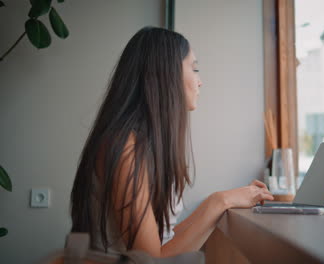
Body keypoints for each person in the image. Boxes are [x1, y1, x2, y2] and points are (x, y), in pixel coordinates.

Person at [70, 27, 274, 258]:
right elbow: (148, 260)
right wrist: (220, 201)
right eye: (194, 69)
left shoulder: (144, 144)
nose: (200, 82)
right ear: (166, 74)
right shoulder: (125, 145)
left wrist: (223, 202)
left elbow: (162, 241)